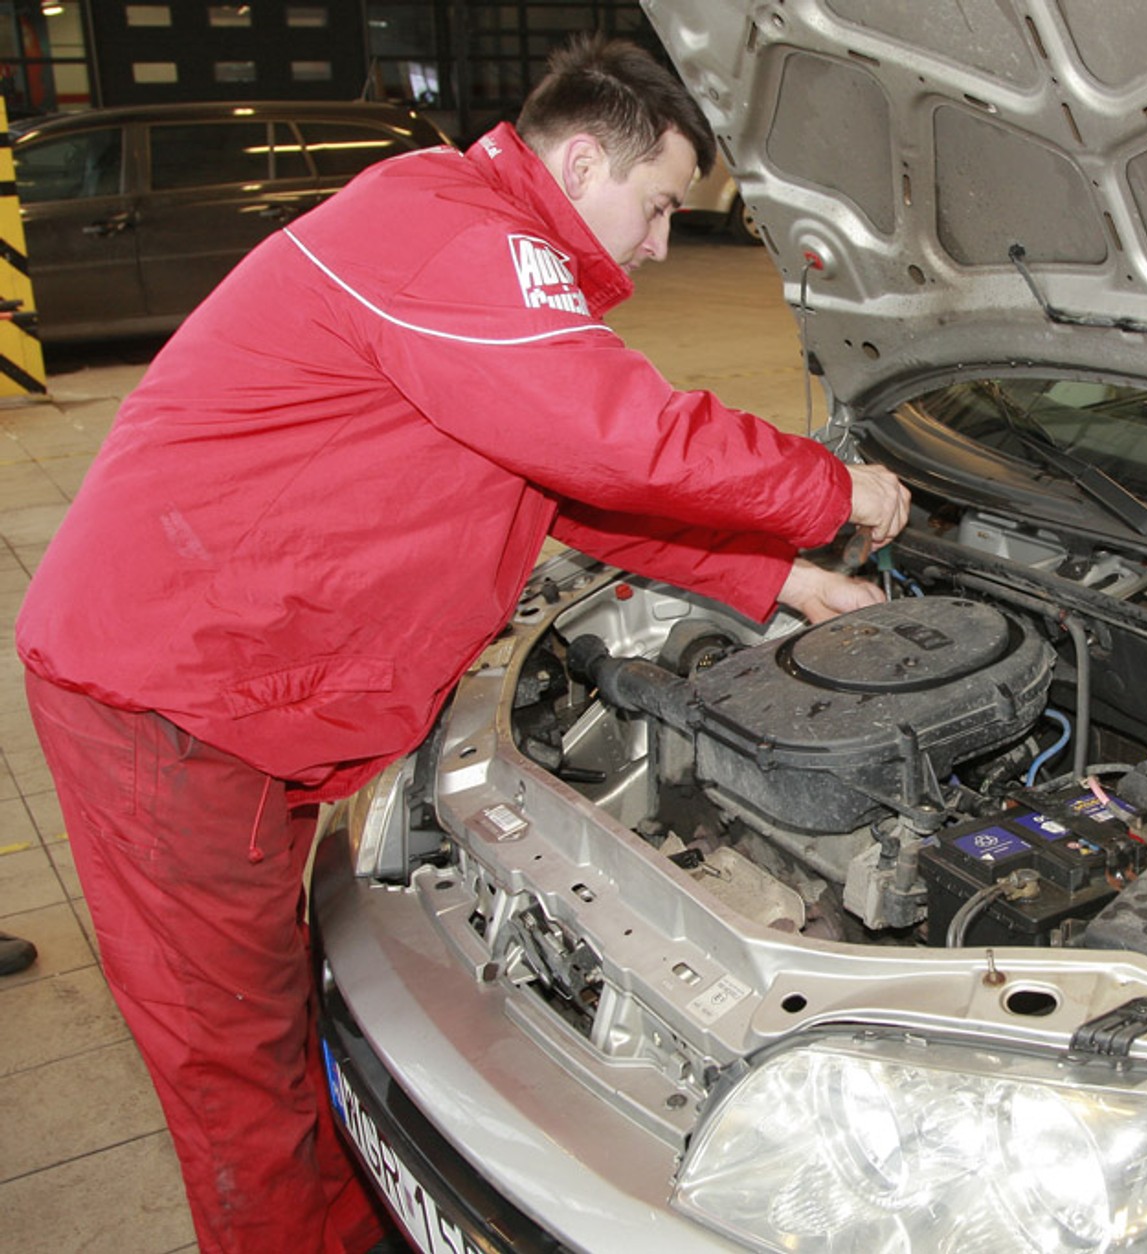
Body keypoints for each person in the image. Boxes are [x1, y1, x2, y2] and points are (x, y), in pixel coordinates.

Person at [13, 33, 909, 1254]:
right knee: (241, 1070)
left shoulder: (472, 246)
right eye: (655, 209)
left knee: (280, 1019)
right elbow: (616, 435)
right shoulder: (449, 232)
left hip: (246, 687)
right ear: (582, 158)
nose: (656, 249)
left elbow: (566, 487)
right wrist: (826, 491)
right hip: (175, 698)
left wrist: (779, 580)